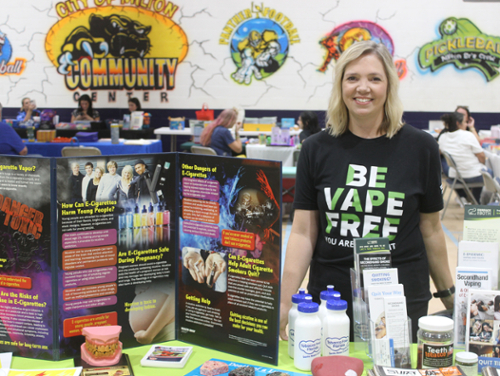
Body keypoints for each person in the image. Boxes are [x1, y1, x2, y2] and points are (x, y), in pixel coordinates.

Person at [279, 40, 454, 343]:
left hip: (401, 296)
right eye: (353, 78)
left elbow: (431, 229)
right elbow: (303, 233)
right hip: (332, 300)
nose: (363, 88)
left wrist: (449, 296)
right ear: (340, 85)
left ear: (389, 85)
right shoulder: (315, 149)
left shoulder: (421, 148)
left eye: (374, 78)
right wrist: (283, 302)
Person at [438, 112, 487, 203]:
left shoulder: (443, 137)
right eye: (465, 122)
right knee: (489, 172)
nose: (466, 124)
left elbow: (439, 152)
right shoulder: (468, 135)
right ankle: (476, 200)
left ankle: (466, 198)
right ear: (458, 123)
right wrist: (482, 164)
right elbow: (481, 155)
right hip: (472, 175)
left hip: (455, 175)